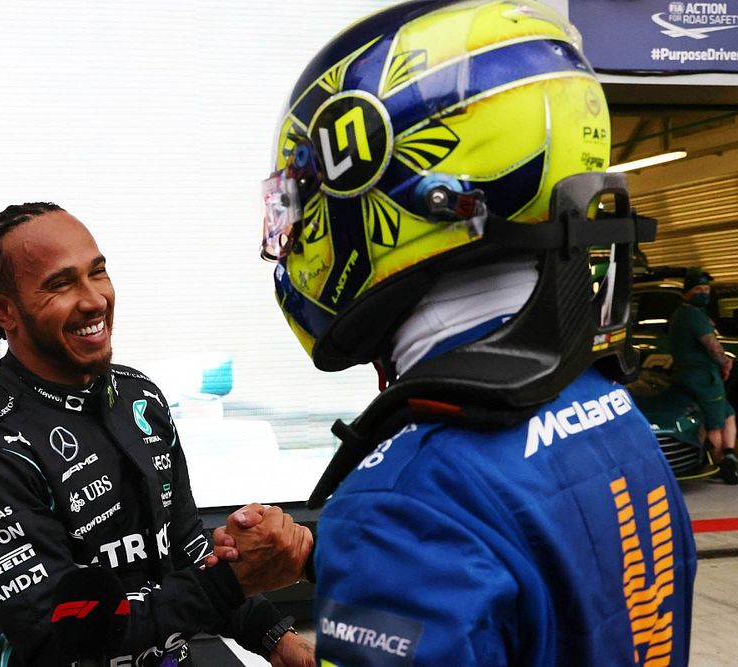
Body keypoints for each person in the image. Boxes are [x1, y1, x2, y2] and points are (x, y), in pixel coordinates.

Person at [223, 0, 697, 664]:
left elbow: (453, 538)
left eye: (303, 196)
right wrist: (316, 554)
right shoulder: (611, 411)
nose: (293, 231)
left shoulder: (401, 500)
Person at [0, 202, 315, 667]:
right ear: (4, 309)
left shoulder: (138, 395)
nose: (94, 300)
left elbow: (184, 546)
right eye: (60, 284)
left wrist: (277, 639)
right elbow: (60, 636)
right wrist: (234, 581)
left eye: (97, 272)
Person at [669, 268, 738, 483]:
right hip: (702, 378)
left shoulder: (683, 313)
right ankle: (723, 467)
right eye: (699, 289)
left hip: (690, 375)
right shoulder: (692, 315)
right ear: (687, 292)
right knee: (714, 423)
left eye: (706, 289)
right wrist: (725, 362)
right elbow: (711, 345)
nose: (704, 293)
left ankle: (729, 454)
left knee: (727, 413)